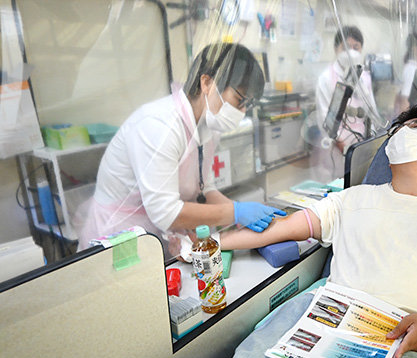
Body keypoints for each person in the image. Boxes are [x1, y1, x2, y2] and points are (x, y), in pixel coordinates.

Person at [186, 105, 417, 358]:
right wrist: (208, 244)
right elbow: (281, 228)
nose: (400, 134)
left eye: (414, 127)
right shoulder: (354, 199)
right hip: (327, 320)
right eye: (397, 129)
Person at [75, 43, 284, 252]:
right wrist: (235, 212)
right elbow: (165, 212)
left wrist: (238, 214)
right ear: (207, 83)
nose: (242, 110)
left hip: (158, 235)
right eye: (239, 100)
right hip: (119, 237)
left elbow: (205, 188)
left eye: (248, 104)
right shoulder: (159, 125)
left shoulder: (208, 126)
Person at [312, 26, 378, 182]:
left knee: (359, 183)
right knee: (337, 189)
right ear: (336, 49)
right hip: (336, 148)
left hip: (361, 144)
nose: (351, 52)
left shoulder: (364, 77)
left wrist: (371, 141)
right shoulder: (326, 78)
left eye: (356, 47)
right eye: (347, 47)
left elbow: (372, 110)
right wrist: (340, 142)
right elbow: (324, 116)